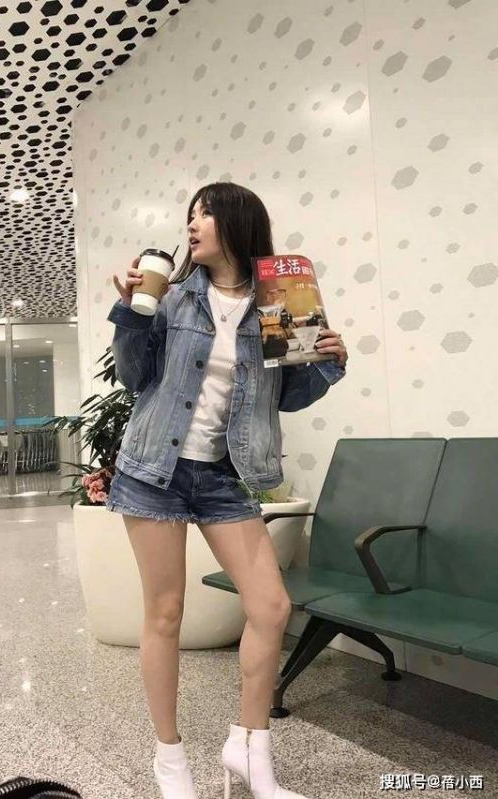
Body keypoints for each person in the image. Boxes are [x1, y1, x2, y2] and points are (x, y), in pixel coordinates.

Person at [107, 182, 348, 799]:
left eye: (206, 213)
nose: (192, 224)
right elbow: (133, 377)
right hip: (154, 470)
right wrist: (132, 312)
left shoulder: (277, 304)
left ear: (238, 222)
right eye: (190, 214)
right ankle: (170, 760)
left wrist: (325, 361)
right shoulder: (172, 297)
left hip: (222, 475)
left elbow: (285, 396)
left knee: (271, 607)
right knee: (165, 612)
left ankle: (249, 750)